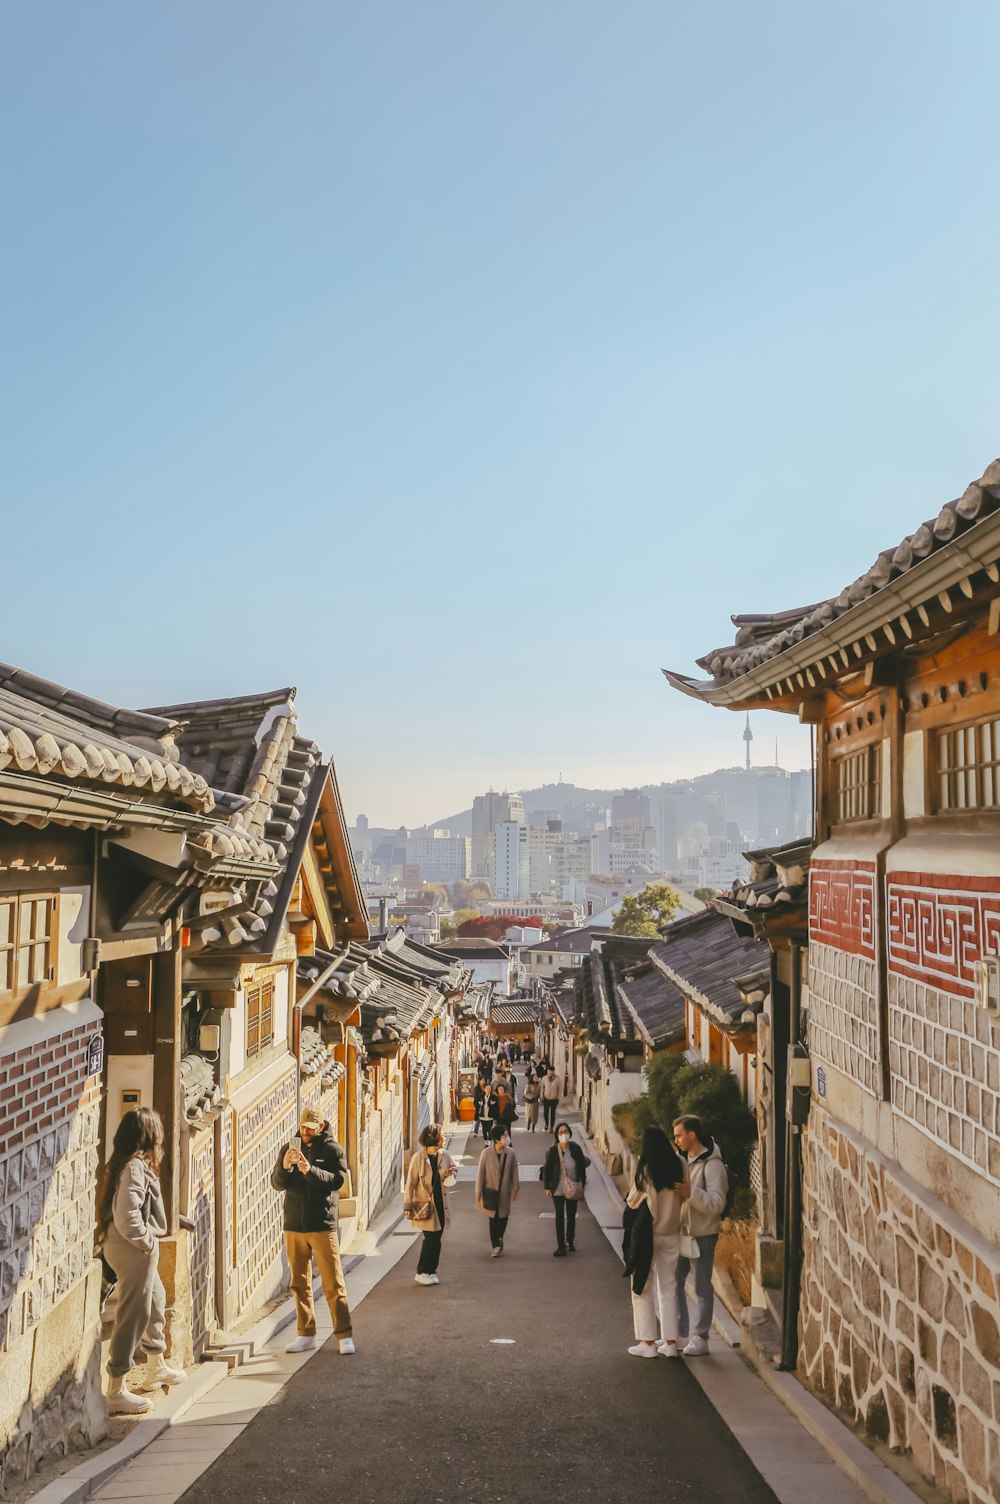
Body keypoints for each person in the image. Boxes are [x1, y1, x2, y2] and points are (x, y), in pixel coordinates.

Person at [98, 1107, 186, 1414]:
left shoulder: (127, 1163)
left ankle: (155, 1366)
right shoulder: (135, 1167)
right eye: (157, 1131)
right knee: (133, 1313)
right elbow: (127, 1215)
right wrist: (147, 1242)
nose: (161, 1136)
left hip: (128, 1246)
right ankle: (116, 1389)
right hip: (132, 1249)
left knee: (155, 1302)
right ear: (148, 1134)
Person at [271, 1106, 355, 1355]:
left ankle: (344, 1334)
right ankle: (305, 1334)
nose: (305, 1132)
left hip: (321, 1224)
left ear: (320, 1127)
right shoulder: (289, 1148)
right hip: (294, 1224)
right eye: (303, 1127)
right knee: (299, 1283)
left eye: (310, 1128)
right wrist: (285, 1167)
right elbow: (277, 1184)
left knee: (333, 1282)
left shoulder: (332, 1150)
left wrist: (310, 1170)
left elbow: (337, 1181)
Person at [625, 1126, 686, 1358]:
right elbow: (685, 1194)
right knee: (669, 1288)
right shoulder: (680, 1164)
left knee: (642, 1286)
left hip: (648, 1236)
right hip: (672, 1232)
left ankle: (648, 1343)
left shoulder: (647, 1169)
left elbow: (632, 1200)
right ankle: (671, 1343)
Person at [672, 1114, 729, 1355]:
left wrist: (690, 1192)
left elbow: (717, 1203)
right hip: (684, 1233)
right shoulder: (682, 1160)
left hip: (704, 1234)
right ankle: (680, 1333)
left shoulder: (712, 1164)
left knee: (702, 1287)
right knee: (675, 1281)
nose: (676, 1140)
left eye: (679, 1135)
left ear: (691, 1134)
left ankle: (701, 1337)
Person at [404, 1123, 458, 1285]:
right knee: (431, 1239)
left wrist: (449, 1172)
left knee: (437, 1238)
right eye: (442, 1134)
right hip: (425, 1205)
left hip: (441, 1203)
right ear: (434, 1138)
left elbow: (454, 1168)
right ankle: (422, 1271)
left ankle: (431, 1271)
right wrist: (408, 1206)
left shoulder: (444, 1154)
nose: (445, 1137)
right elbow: (410, 1184)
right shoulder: (417, 1158)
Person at [541, 1122, 590, 1256]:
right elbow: (547, 1169)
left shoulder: (575, 1149)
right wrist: (547, 1187)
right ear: (557, 1135)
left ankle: (570, 1241)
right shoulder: (553, 1150)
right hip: (558, 1187)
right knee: (559, 1216)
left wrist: (582, 1183)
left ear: (570, 1133)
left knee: (571, 1215)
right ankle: (560, 1246)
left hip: (573, 1187)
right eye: (561, 1132)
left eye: (566, 1132)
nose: (564, 1135)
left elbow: (581, 1166)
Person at [475, 1128, 520, 1257]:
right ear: (496, 1138)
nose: (507, 1137)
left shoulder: (510, 1152)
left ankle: (500, 1237)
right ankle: (495, 1245)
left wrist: (515, 1188)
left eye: (507, 1134)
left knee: (504, 1218)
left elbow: (514, 1171)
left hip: (504, 1191)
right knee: (493, 1219)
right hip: (490, 1191)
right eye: (504, 1135)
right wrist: (478, 1191)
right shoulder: (486, 1153)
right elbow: (481, 1173)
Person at [540, 1067, 561, 1132]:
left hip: (554, 1099)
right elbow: (542, 1087)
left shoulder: (557, 1079)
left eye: (550, 1072)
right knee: (545, 1112)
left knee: (552, 1113)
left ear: (553, 1071)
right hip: (546, 1098)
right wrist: (541, 1096)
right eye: (548, 1072)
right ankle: (546, 1123)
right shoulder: (544, 1078)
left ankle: (551, 1127)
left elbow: (560, 1089)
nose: (549, 1073)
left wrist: (558, 1098)